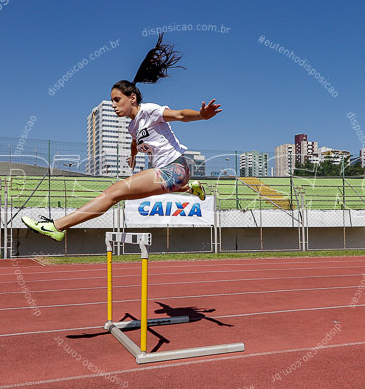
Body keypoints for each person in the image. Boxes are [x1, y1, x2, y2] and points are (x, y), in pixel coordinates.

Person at [22, 35, 218, 241]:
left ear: (132, 98)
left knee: (112, 192)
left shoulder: (149, 110)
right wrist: (133, 156)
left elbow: (178, 115)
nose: (114, 105)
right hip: (173, 176)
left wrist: (201, 115)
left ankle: (57, 226)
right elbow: (135, 142)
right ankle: (191, 188)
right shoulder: (133, 126)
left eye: (117, 100)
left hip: (174, 169)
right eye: (112, 101)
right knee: (117, 197)